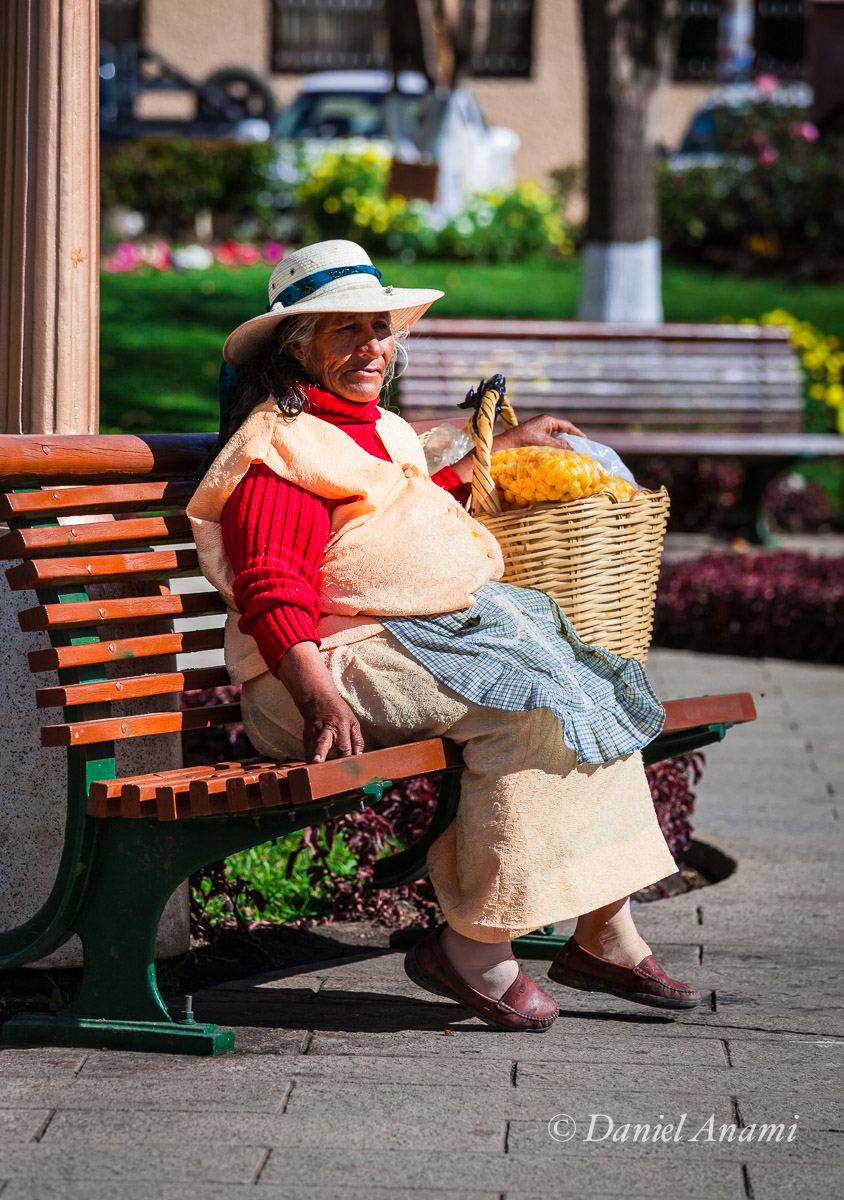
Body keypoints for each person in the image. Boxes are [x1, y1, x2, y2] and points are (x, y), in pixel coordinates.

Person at [187, 239, 701, 1032]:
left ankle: (605, 929)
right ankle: (470, 949)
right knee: (531, 703)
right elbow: (271, 586)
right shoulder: (278, 447)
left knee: (591, 684)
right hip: (319, 673)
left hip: (402, 648)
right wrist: (315, 690)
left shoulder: (374, 427)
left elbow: (405, 499)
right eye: (344, 331)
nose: (372, 347)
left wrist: (509, 448)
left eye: (381, 329)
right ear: (298, 348)